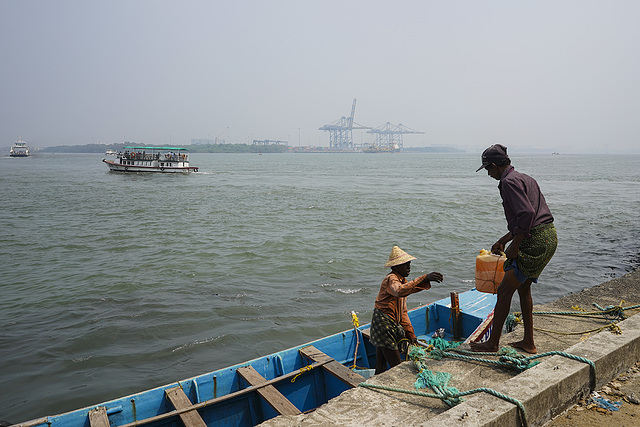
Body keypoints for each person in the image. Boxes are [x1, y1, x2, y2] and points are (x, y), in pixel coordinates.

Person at [470, 144, 557, 354]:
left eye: (488, 170)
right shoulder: (525, 178)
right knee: (523, 287)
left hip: (533, 240)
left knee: (504, 290)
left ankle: (492, 344)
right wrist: (505, 239)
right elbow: (529, 216)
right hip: (548, 235)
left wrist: (515, 245)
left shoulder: (507, 182)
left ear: (494, 166)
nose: (489, 174)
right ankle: (528, 341)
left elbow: (526, 214)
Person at [370, 245, 443, 374]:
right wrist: (424, 278)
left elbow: (403, 312)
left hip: (387, 324)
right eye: (405, 264)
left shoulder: (403, 281)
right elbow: (399, 290)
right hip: (383, 324)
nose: (408, 267)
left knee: (381, 365)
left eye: (409, 264)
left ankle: (374, 385)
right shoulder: (391, 279)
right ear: (395, 267)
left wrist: (411, 334)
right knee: (397, 367)